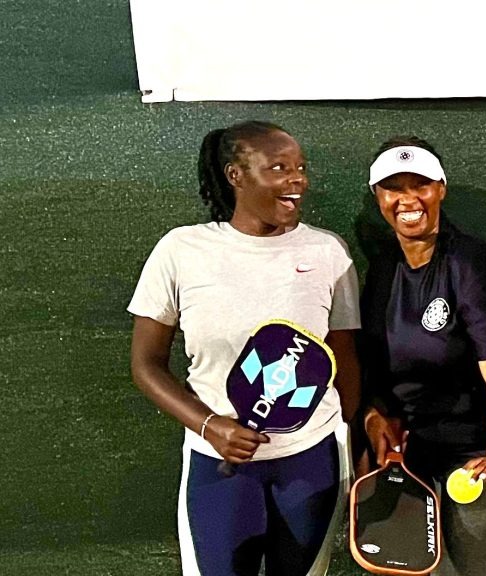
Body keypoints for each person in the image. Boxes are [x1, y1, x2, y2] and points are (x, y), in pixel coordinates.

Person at [128, 120, 362, 576]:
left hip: (312, 458)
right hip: (218, 466)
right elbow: (145, 365)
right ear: (237, 176)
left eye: (300, 168)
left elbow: (344, 360)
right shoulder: (181, 251)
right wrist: (210, 425)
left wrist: (353, 440)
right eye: (279, 167)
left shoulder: (329, 253)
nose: (298, 180)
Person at [358, 136, 486, 576]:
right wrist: (375, 417)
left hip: (470, 456)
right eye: (394, 187)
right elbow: (374, 366)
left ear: (442, 189)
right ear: (378, 198)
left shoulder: (470, 263)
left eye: (421, 185)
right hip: (406, 459)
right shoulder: (383, 268)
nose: (409, 199)